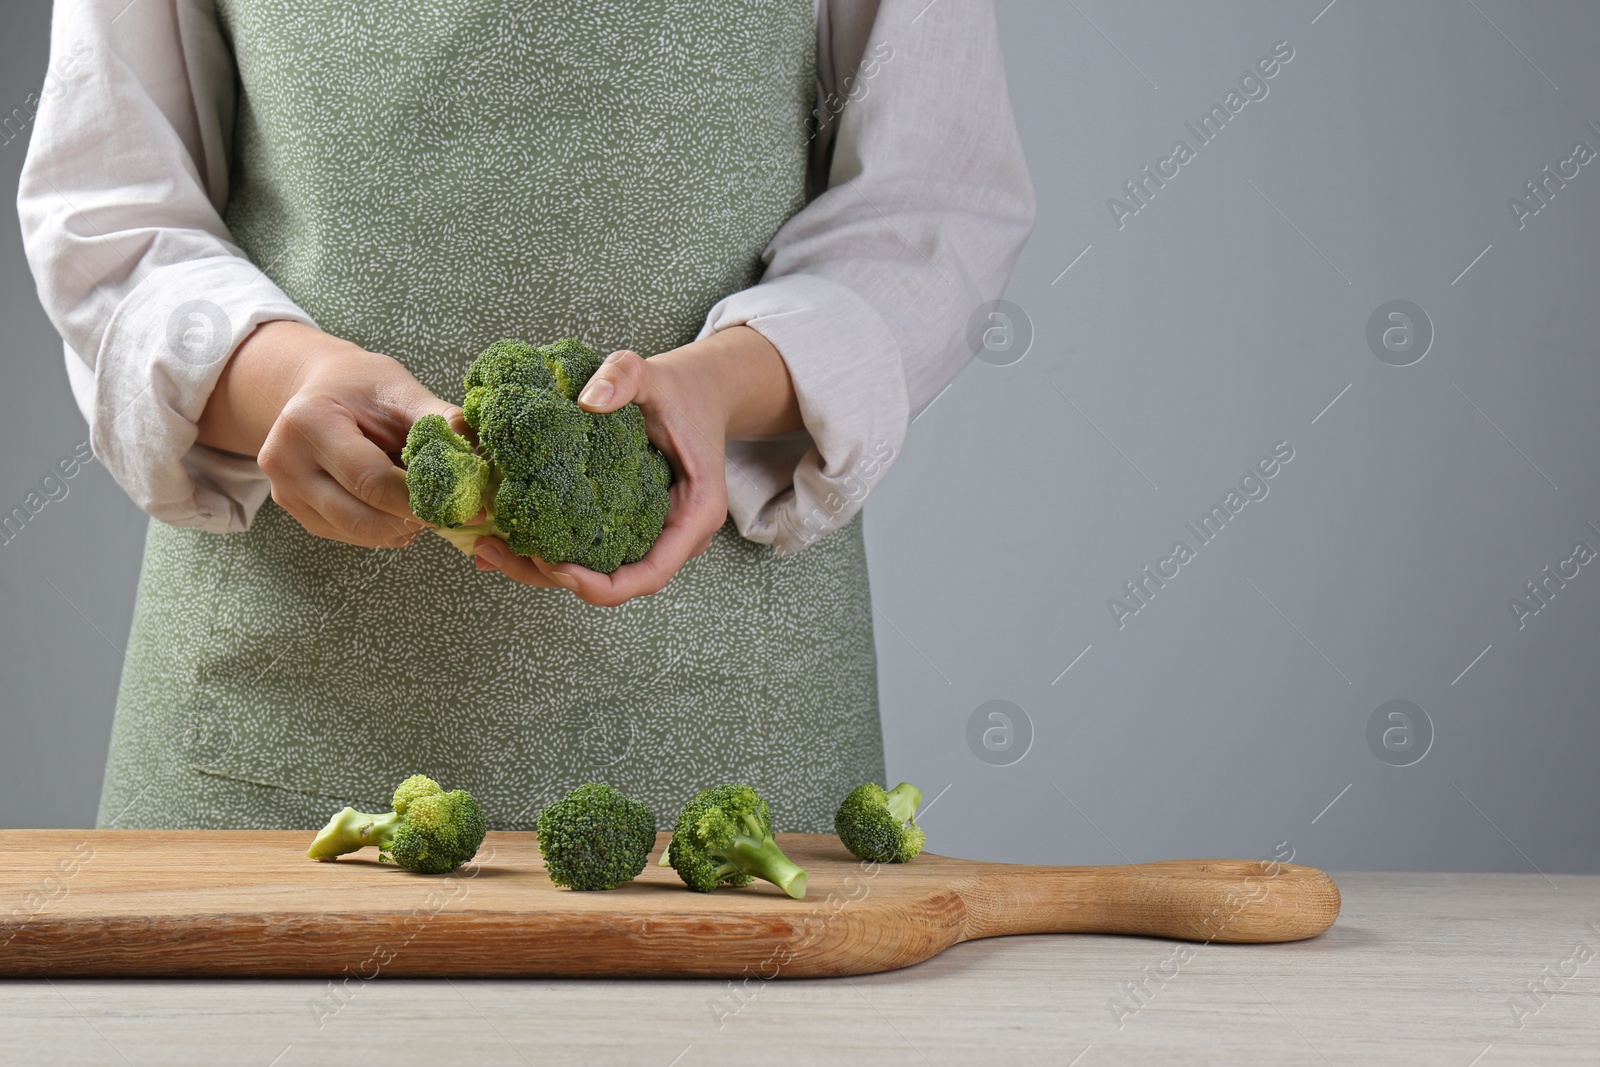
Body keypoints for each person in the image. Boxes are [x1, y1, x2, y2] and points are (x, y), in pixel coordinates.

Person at [18, 0, 1033, 832]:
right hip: (266, 735)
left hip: (725, 717)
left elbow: (931, 205)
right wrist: (283, 379)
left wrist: (721, 382)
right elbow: (111, 208)